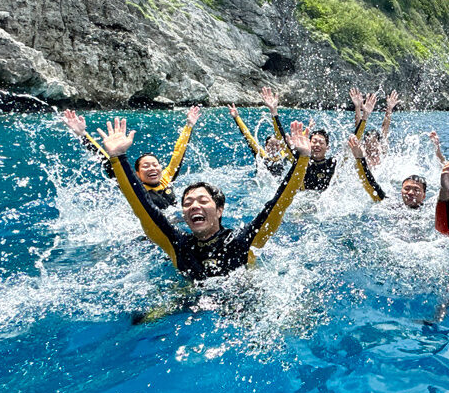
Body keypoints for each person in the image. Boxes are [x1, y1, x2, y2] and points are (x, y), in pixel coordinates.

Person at [97, 117, 313, 281]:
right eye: (188, 203)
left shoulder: (243, 241)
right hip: (190, 303)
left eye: (202, 200)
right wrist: (119, 158)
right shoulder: (176, 244)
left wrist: (303, 158)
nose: (193, 206)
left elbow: (279, 202)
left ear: (219, 210)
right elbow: (141, 205)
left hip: (241, 302)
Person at [61, 106, 201, 209]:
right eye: (145, 166)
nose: (152, 168)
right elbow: (106, 162)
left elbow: (178, 153)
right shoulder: (135, 185)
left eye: (155, 165)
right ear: (138, 174)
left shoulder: (166, 179)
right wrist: (82, 134)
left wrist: (189, 125)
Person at [228, 87, 295, 176]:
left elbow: (285, 139)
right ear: (265, 146)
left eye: (276, 145)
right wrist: (237, 117)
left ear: (281, 147)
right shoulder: (262, 156)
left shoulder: (284, 156)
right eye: (271, 145)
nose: (273, 147)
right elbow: (248, 136)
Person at [347, 135, 427, 208]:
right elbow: (371, 185)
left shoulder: (430, 210)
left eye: (416, 190)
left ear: (424, 196)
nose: (410, 193)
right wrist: (360, 158)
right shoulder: (392, 207)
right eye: (407, 188)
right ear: (401, 191)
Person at [351, 89, 399, 167]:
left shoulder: (382, 151)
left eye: (373, 143)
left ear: (378, 143)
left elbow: (385, 128)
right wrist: (357, 107)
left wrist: (389, 108)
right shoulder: (363, 153)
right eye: (369, 142)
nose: (371, 146)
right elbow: (358, 131)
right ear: (364, 143)